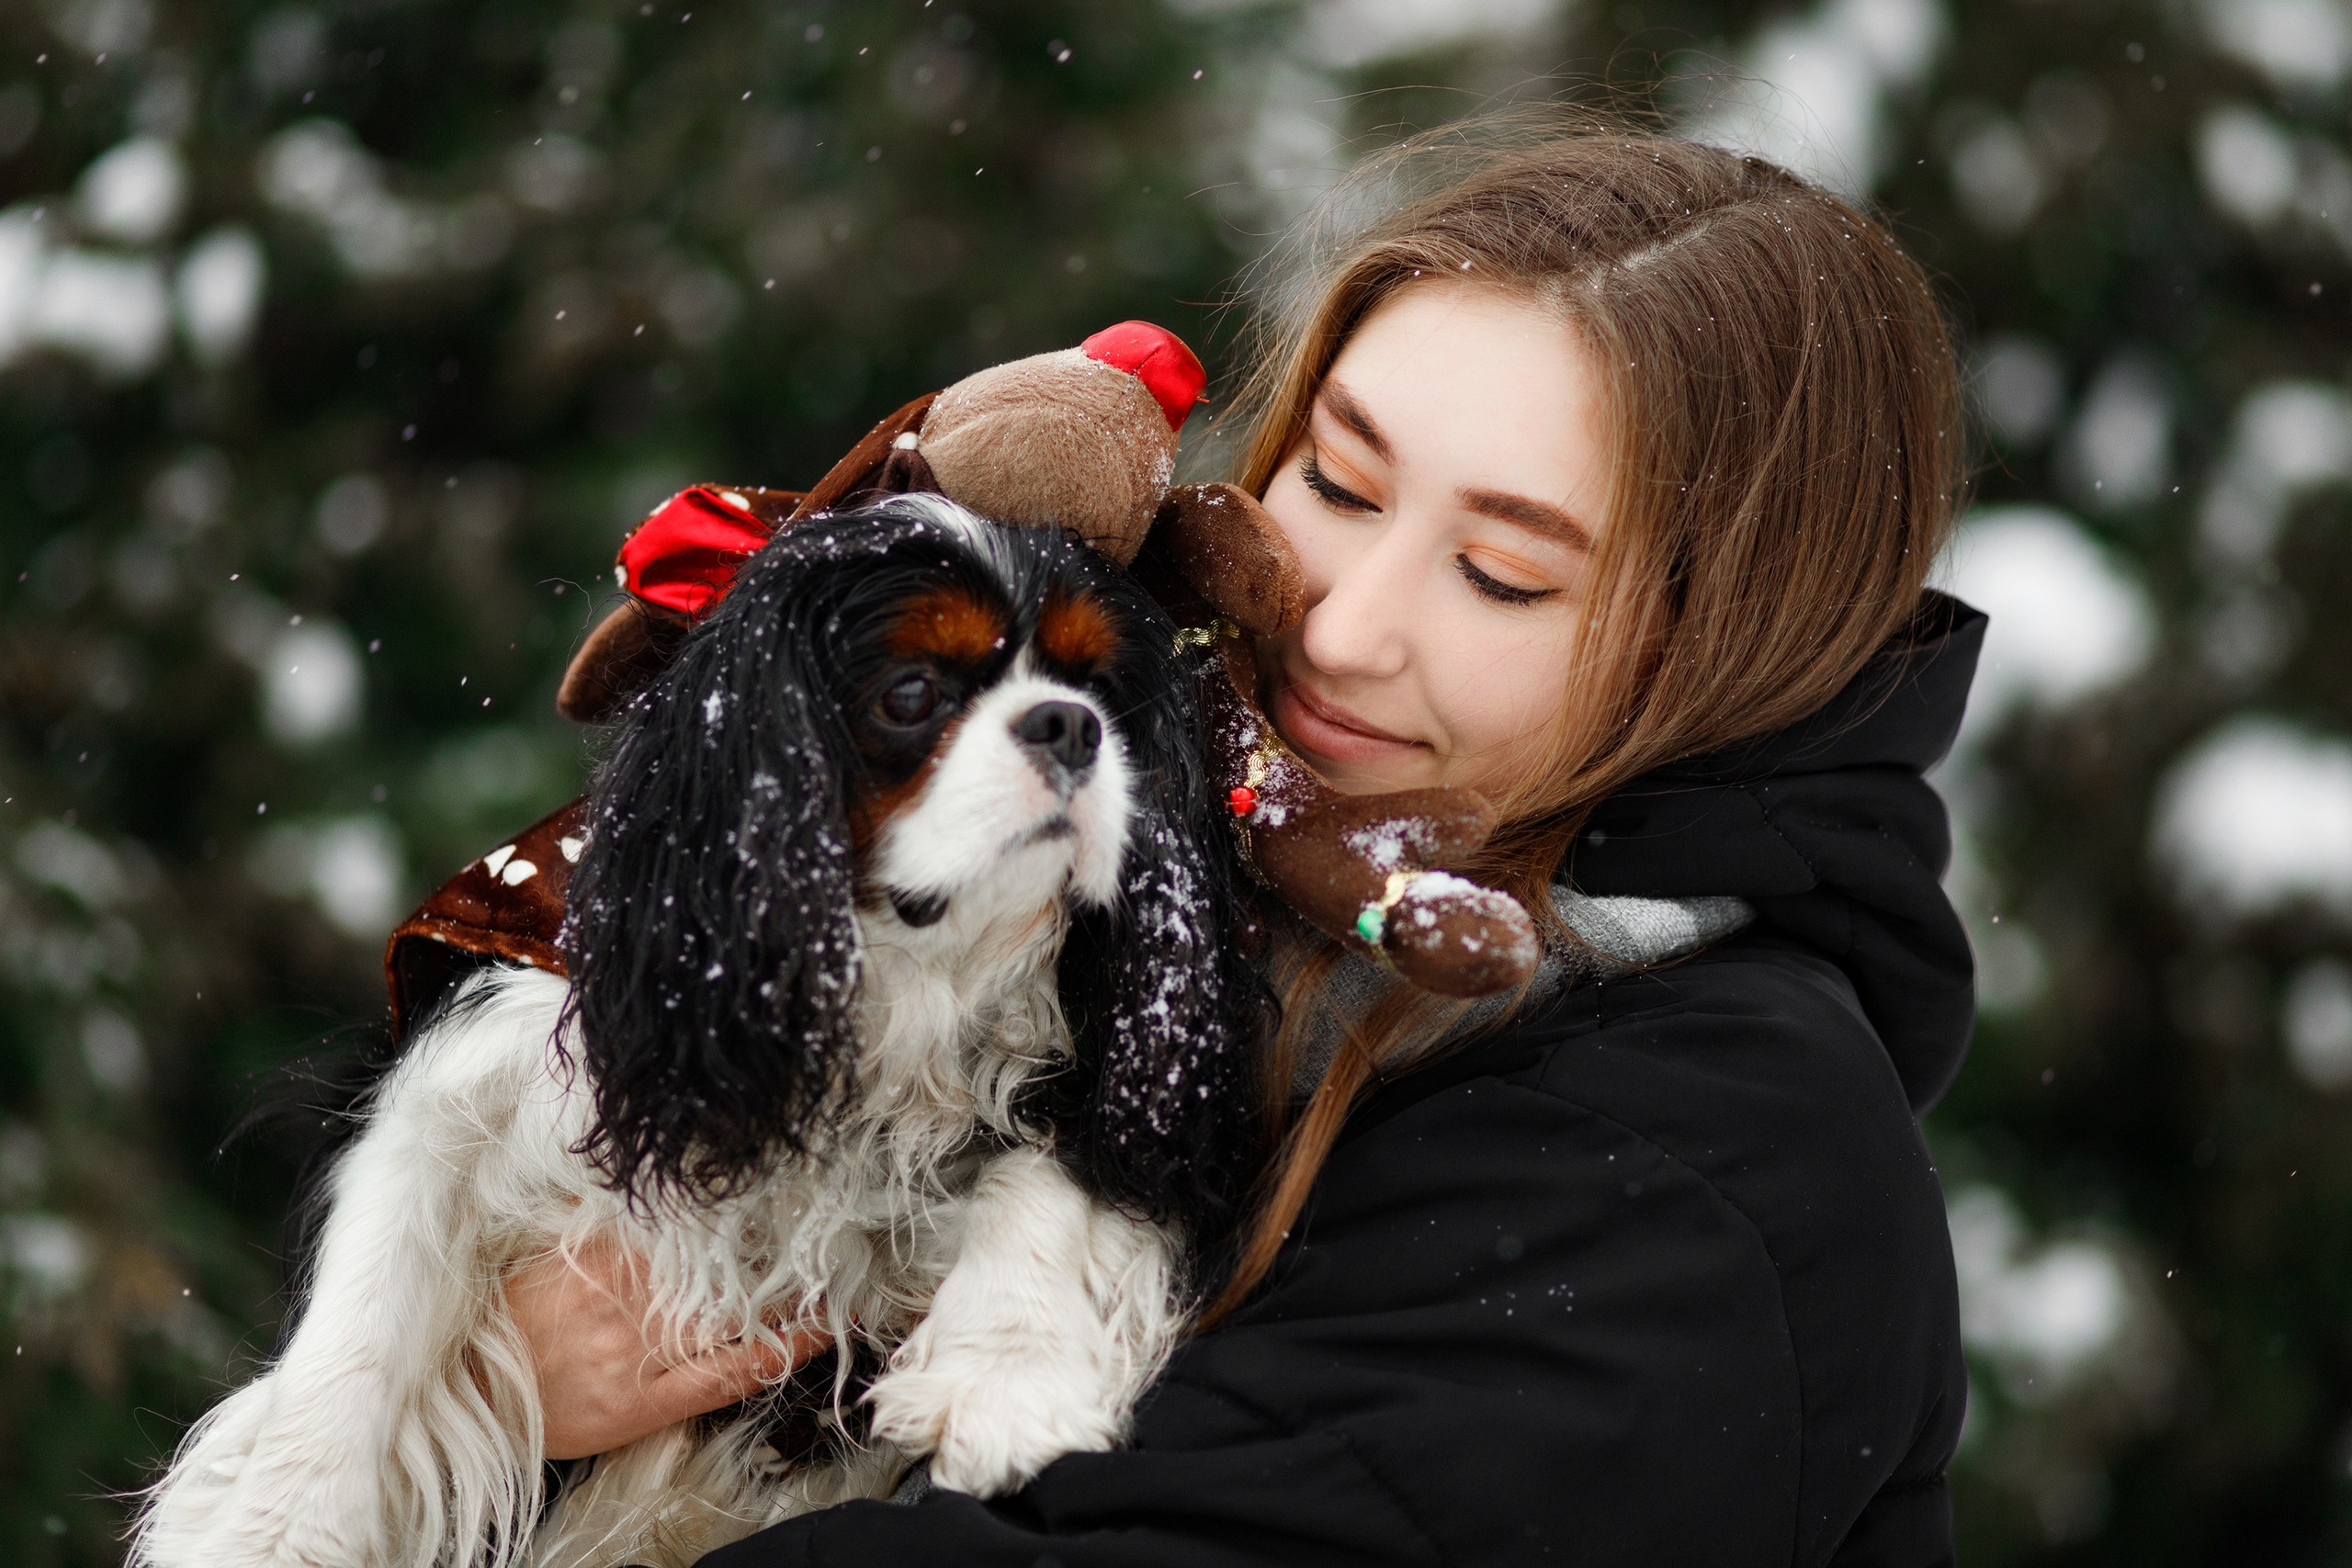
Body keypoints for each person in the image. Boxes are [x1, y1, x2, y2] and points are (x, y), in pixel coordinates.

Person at [507, 125, 1984, 1565]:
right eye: (1337, 483)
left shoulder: (1719, 1155)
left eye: (1500, 574)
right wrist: (489, 1387)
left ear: (1726, 652)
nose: (1340, 629)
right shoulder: (1110, 840)